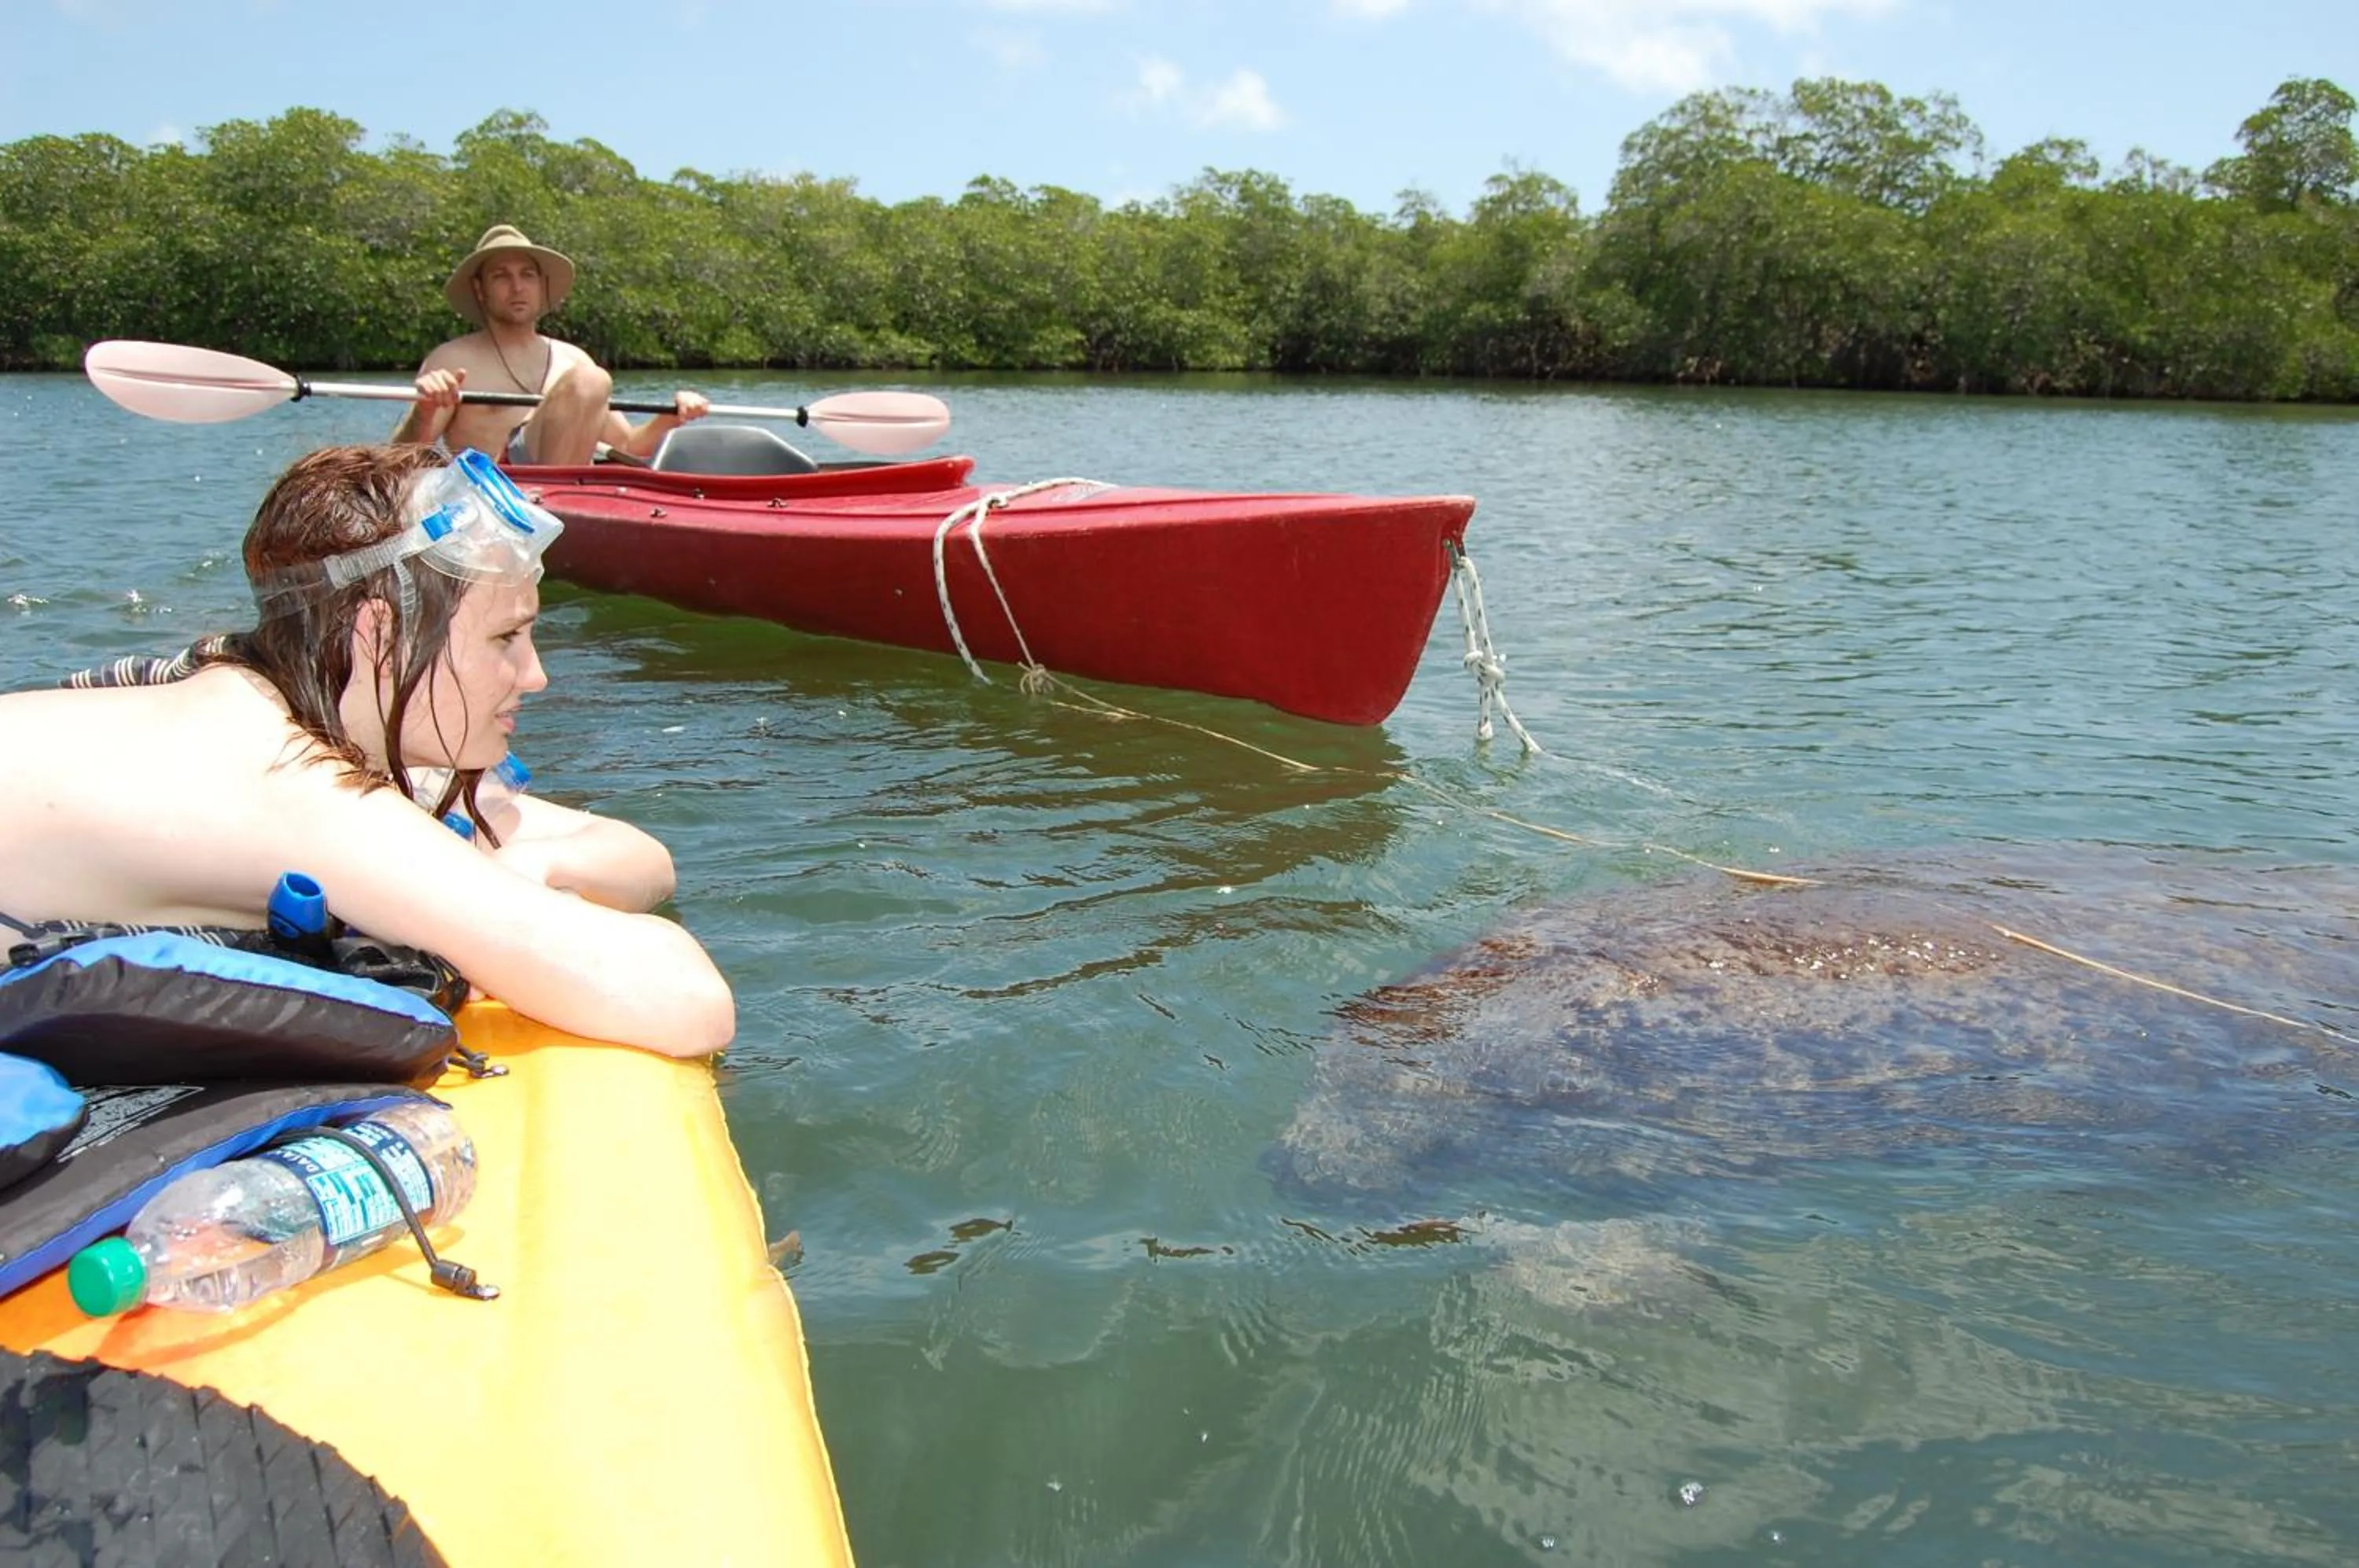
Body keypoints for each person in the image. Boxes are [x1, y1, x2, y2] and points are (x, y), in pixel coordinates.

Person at [0, 444, 734, 1058]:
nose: (535, 676)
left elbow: (638, 857)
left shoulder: (245, 700)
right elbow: (685, 1003)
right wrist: (482, 908)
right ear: (380, 637)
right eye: (506, 638)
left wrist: (523, 869)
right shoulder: (288, 784)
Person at [392, 225, 711, 466]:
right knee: (591, 378)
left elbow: (627, 445)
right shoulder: (451, 359)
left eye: (527, 275)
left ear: (541, 286)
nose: (517, 287)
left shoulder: (574, 359)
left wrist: (672, 416)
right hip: (496, 499)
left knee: (589, 377)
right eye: (501, 276)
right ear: (480, 289)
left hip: (570, 501)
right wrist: (425, 409)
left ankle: (569, 519)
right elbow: (397, 460)